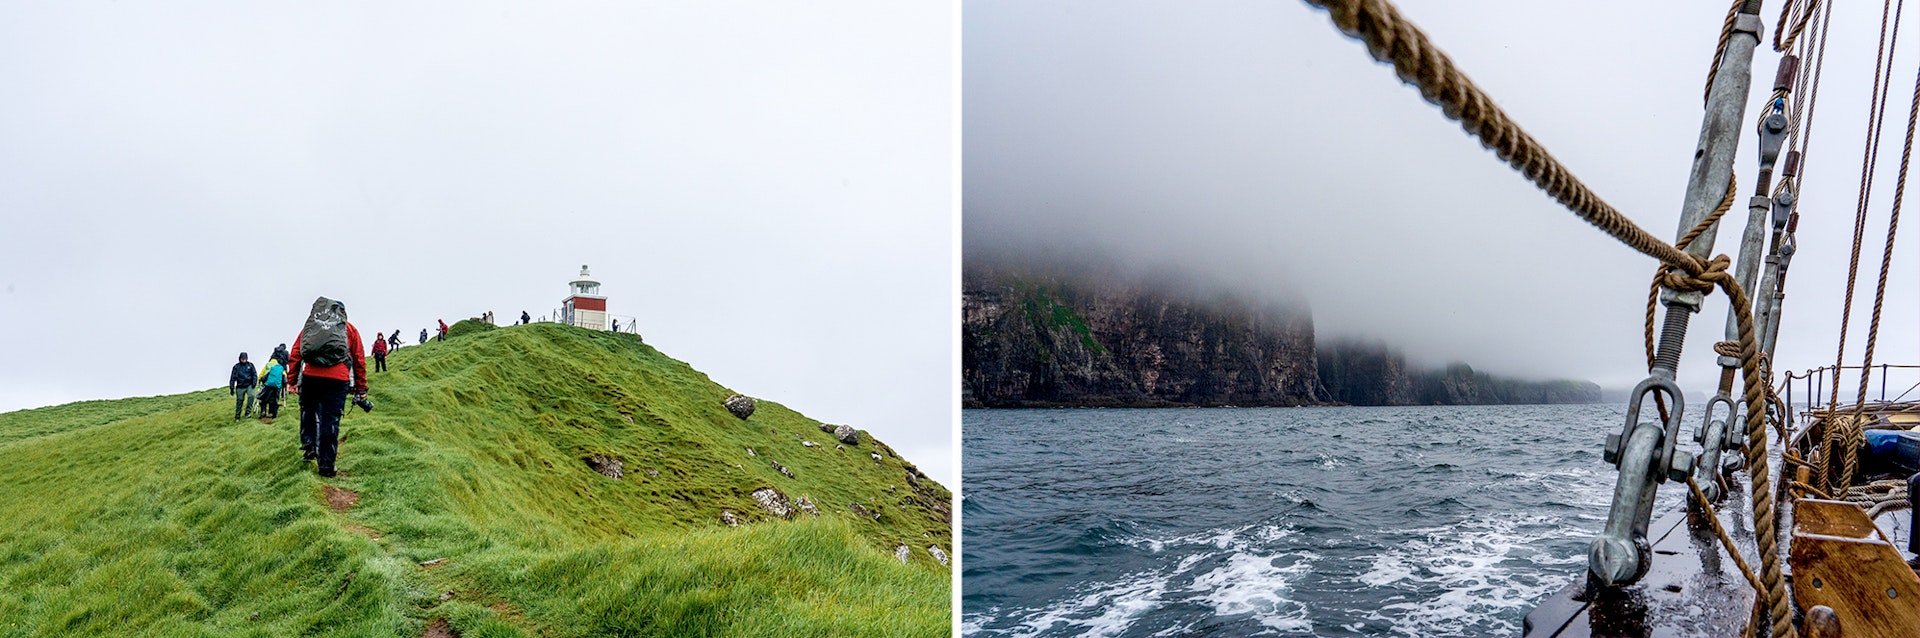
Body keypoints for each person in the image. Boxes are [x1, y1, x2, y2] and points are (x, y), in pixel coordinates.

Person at [289, 298, 369, 478]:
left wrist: (292, 380)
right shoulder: (349, 329)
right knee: (330, 421)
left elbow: (296, 352)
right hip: (338, 379)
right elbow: (359, 359)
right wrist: (361, 388)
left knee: (308, 410)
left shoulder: (312, 326)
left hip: (311, 376)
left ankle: (309, 445)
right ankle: (326, 466)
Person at [229, 353, 257, 421]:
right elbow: (232, 378)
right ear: (240, 359)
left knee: (251, 396)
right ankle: (237, 416)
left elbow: (254, 374)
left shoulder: (250, 365)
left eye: (245, 359)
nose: (244, 360)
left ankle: (248, 413)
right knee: (239, 401)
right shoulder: (236, 367)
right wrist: (232, 388)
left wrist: (254, 383)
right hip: (240, 386)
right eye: (242, 359)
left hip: (249, 385)